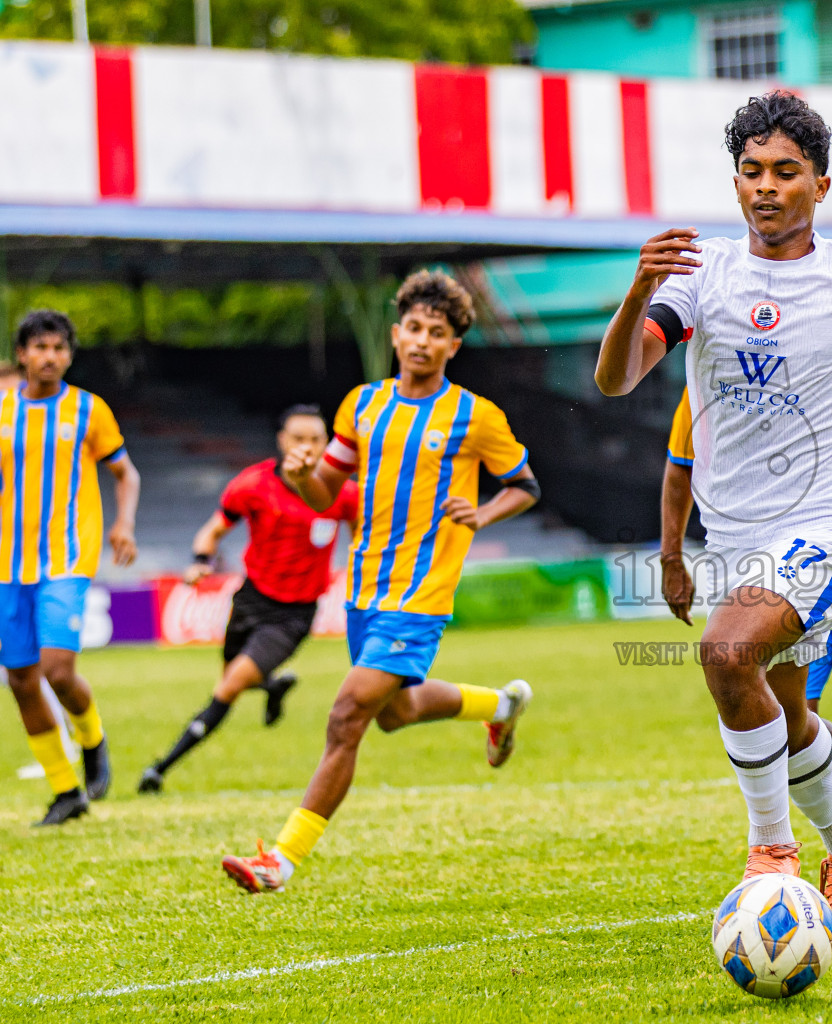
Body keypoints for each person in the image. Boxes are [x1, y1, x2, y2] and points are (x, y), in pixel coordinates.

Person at [595, 90, 832, 933]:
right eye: (750, 172)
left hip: (826, 527)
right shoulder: (702, 280)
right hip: (732, 538)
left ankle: (772, 851)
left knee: (725, 651)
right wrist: (638, 292)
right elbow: (617, 378)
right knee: (790, 712)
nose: (765, 187)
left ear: (821, 184)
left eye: (785, 172)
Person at [220, 270, 540, 892]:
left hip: (421, 594)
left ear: (454, 346)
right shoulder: (361, 404)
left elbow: (525, 486)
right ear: (396, 335)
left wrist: (485, 511)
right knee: (396, 712)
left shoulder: (475, 417)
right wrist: (300, 474)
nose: (423, 341)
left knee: (347, 715)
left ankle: (279, 861)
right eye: (415, 329)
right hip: (365, 590)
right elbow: (324, 492)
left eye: (438, 333)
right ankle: (500, 706)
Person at [661, 384, 832, 896]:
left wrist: (819, 515)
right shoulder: (704, 381)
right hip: (778, 574)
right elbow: (679, 468)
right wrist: (671, 556)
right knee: (785, 727)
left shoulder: (829, 351)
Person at [138, 405, 360, 793]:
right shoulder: (252, 485)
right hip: (251, 600)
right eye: (299, 439)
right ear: (281, 441)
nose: (307, 447)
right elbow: (212, 531)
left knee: (228, 687)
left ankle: (160, 768)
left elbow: (363, 540)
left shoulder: (344, 494)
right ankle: (272, 687)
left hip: (293, 615)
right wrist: (201, 562)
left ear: (328, 444)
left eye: (316, 439)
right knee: (232, 677)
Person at [1, 310, 140, 826]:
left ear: (69, 356)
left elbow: (126, 473)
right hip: (6, 564)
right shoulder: (1, 410)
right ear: (22, 354)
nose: (50, 357)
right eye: (40, 347)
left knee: (57, 670)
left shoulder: (88, 410)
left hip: (66, 557)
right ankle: (65, 792)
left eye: (59, 348)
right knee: (20, 679)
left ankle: (91, 736)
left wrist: (123, 524)